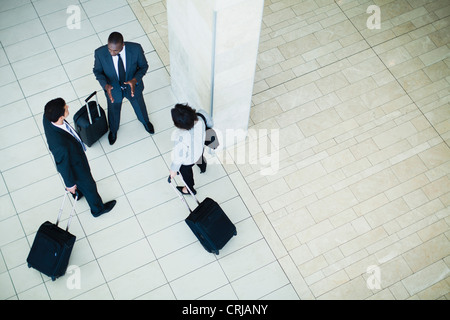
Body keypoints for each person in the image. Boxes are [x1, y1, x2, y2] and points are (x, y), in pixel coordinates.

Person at [43, 98, 116, 217]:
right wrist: (69, 184)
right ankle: (97, 209)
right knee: (90, 187)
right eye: (65, 108)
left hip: (73, 158)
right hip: (77, 166)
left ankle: (78, 192)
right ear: (61, 117)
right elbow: (62, 165)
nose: (68, 107)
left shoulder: (48, 117)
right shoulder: (59, 145)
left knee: (80, 185)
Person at [93, 31, 154, 145]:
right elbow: (97, 71)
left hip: (132, 86)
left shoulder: (136, 49)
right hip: (113, 89)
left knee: (139, 106)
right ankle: (114, 131)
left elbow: (144, 66)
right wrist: (105, 85)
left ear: (123, 45)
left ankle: (145, 122)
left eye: (115, 50)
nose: (111, 52)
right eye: (109, 49)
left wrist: (135, 79)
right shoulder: (100, 53)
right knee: (113, 111)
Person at [169, 103, 213, 195]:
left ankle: (189, 189)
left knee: (186, 174)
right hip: (200, 148)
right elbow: (210, 124)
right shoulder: (201, 115)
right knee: (200, 158)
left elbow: (179, 158)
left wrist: (173, 170)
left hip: (188, 161)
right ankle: (203, 167)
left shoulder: (180, 137)